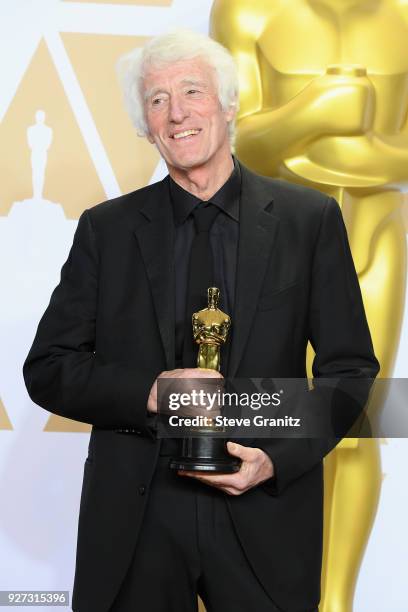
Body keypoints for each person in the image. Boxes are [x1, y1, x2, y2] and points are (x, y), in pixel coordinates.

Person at [23, 29, 379, 612]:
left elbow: (351, 369)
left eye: (192, 91)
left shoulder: (308, 220)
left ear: (230, 105)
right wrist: (152, 393)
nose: (177, 112)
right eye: (157, 100)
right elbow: (48, 369)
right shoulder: (105, 230)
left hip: (263, 507)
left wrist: (275, 457)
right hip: (138, 517)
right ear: (144, 124)